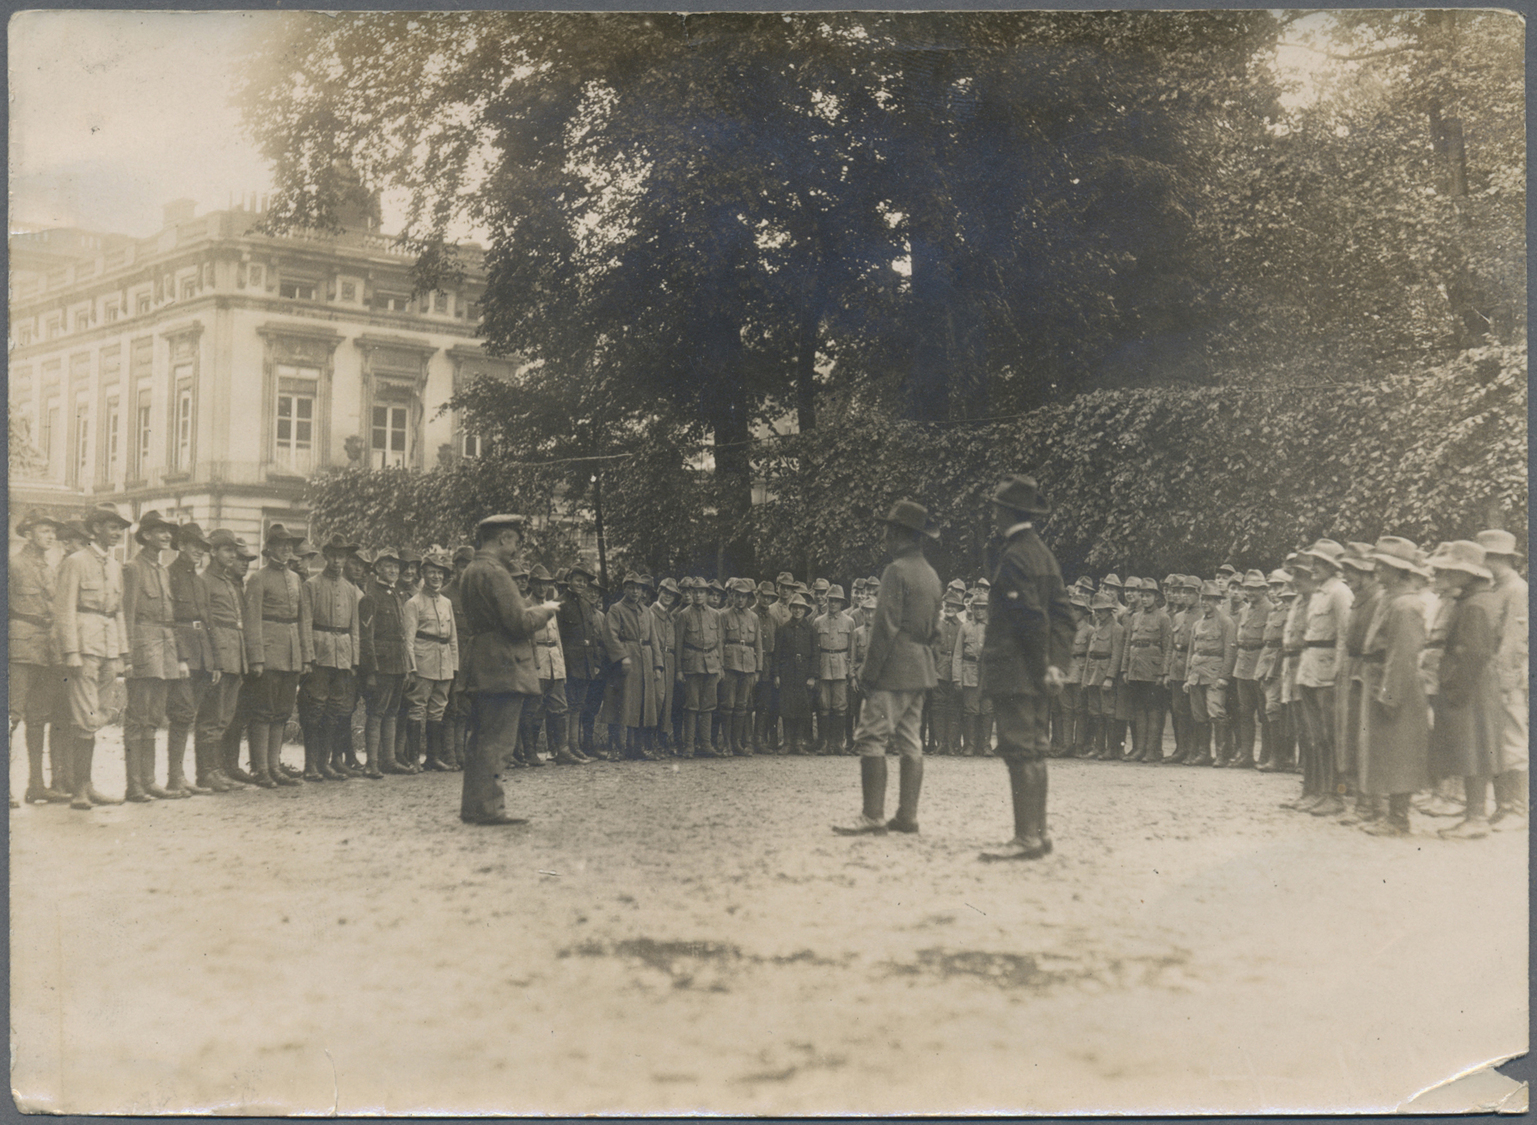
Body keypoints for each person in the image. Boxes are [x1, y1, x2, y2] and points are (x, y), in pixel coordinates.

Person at [976, 476, 1074, 861]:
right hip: (1037, 672)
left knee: (1019, 751)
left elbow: (1030, 619)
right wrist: (1056, 666)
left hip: (1016, 671)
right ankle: (1039, 833)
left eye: (995, 508)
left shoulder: (1015, 556)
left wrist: (1042, 666)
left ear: (1004, 512)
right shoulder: (1044, 555)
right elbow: (1065, 617)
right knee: (1034, 750)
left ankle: (1026, 837)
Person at [833, 499, 942, 836]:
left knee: (871, 737)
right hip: (920, 670)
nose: (884, 536)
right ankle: (907, 816)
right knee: (911, 741)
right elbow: (935, 632)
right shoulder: (931, 575)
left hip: (893, 669)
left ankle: (872, 816)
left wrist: (868, 675)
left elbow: (884, 629)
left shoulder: (896, 571)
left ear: (899, 533)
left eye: (888, 529)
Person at [458, 513, 560, 825]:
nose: (516, 549)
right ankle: (491, 810)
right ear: (503, 538)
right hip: (503, 666)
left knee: (479, 739)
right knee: (499, 741)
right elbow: (517, 623)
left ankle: (473, 807)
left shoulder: (471, 571)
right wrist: (544, 612)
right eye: (514, 541)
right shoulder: (497, 573)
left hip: (479, 663)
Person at [54, 503, 133, 809]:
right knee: (85, 716)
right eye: (113, 527)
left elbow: (118, 611)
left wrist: (122, 652)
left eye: (119, 528)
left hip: (109, 647)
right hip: (84, 646)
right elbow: (64, 609)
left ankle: (87, 784)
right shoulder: (76, 562)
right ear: (97, 528)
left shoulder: (115, 566)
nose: (117, 533)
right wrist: (71, 650)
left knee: (100, 713)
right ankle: (79, 790)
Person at [1427, 541, 1504, 840]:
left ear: (1468, 573)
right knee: (1472, 748)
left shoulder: (1475, 604)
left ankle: (1475, 817)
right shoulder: (1474, 599)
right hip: (1472, 684)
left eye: (1450, 571)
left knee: (1473, 749)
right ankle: (1473, 813)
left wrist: (1456, 689)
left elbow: (1475, 652)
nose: (1442, 576)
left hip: (1469, 686)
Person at [1356, 537, 1431, 836]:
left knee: (1399, 751)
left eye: (1382, 565)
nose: (1376, 570)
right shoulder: (1391, 599)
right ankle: (1385, 814)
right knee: (1382, 750)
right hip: (1379, 677)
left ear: (1398, 570)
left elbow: (1402, 656)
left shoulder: (1405, 605)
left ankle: (1398, 819)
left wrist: (1390, 694)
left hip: (1396, 684)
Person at [122, 510, 187, 802]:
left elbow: (170, 617)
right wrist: (126, 655)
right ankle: (134, 785)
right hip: (143, 646)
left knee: (154, 717)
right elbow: (128, 613)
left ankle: (150, 781)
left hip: (165, 647)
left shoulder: (163, 569)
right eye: (160, 531)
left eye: (169, 532)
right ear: (145, 535)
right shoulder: (133, 568)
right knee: (137, 716)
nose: (167, 536)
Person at [10, 510, 71, 805]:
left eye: (52, 532)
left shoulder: (50, 568)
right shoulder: (12, 564)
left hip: (46, 649)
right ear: (29, 533)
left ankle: (36, 785)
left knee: (38, 719)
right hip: (19, 648)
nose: (50, 536)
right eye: (44, 531)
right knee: (10, 717)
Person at [244, 524, 312, 788]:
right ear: (269, 548)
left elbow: (303, 619)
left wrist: (306, 657)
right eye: (280, 545)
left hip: (292, 653)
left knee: (282, 712)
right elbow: (251, 621)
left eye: (289, 546)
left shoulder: (296, 579)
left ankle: (274, 765)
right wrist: (256, 657)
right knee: (263, 711)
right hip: (269, 653)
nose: (286, 549)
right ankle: (260, 769)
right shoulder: (258, 579)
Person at [1295, 539, 1352, 815]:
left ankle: (1336, 795)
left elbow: (1344, 635)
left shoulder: (1340, 592)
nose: (1313, 567)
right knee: (1314, 735)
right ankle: (1316, 791)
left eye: (1319, 563)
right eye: (1313, 562)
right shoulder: (1318, 593)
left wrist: (1338, 672)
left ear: (1332, 566)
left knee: (1331, 736)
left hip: (1328, 672)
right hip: (1309, 669)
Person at [1476, 529, 1528, 831]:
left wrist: (1506, 681)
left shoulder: (1516, 589)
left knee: (1512, 739)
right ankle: (1503, 805)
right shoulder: (1496, 587)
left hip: (1508, 676)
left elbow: (1514, 640)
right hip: (1493, 675)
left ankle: (1517, 809)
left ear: (1496, 558)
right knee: (1495, 741)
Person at [299, 534, 363, 781]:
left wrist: (354, 660)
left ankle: (325, 763)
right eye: (334, 556)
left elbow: (355, 627)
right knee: (314, 708)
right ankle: (310, 765)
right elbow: (305, 622)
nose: (338, 561)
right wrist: (308, 655)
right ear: (326, 557)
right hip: (319, 653)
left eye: (342, 557)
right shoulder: (312, 585)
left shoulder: (350, 590)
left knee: (334, 710)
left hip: (343, 654)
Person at [165, 521, 217, 795]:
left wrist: (214, 660)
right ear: (181, 545)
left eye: (203, 548)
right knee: (181, 714)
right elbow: (170, 619)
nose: (200, 552)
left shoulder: (199, 581)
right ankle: (175, 777)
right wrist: (181, 656)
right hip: (182, 652)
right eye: (195, 546)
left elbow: (207, 621)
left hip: (202, 653)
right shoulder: (169, 575)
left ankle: (183, 776)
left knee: (191, 713)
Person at [195, 530, 250, 791]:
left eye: (234, 551)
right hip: (220, 654)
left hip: (234, 654)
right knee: (211, 716)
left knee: (225, 717)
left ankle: (217, 770)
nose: (232, 555)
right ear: (213, 552)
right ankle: (206, 773)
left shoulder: (228, 581)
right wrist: (214, 660)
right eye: (227, 550)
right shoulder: (204, 581)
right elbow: (206, 623)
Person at [402, 549, 460, 771]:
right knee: (417, 708)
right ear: (423, 574)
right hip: (423, 660)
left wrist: (454, 666)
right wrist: (412, 668)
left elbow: (452, 637)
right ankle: (413, 758)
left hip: (444, 662)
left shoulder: (446, 603)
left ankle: (433, 758)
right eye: (431, 572)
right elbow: (408, 639)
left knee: (438, 709)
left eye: (440, 573)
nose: (436, 577)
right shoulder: (414, 603)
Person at [1334, 543, 1382, 817]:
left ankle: (1370, 801)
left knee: (1364, 738)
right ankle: (1355, 794)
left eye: (1352, 570)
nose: (1347, 575)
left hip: (1365, 672)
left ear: (1367, 572)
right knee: (1349, 735)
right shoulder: (1360, 597)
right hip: (1352, 669)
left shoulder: (1376, 599)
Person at [601, 572, 664, 760]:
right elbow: (610, 636)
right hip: (625, 663)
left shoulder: (647, 611)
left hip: (645, 659)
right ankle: (615, 748)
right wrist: (622, 657)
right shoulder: (616, 609)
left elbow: (654, 639)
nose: (635, 591)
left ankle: (637, 747)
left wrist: (657, 665)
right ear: (624, 588)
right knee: (621, 704)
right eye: (631, 587)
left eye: (639, 588)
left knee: (643, 704)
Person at [359, 548, 410, 777]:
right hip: (381, 665)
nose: (393, 570)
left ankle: (389, 760)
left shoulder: (397, 595)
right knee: (376, 712)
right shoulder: (371, 597)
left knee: (392, 712)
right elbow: (366, 637)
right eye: (388, 566)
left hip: (398, 663)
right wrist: (370, 670)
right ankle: (372, 762)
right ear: (378, 568)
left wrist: (406, 666)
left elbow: (402, 634)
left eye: (396, 567)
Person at [557, 561, 607, 760]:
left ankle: (576, 746)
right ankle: (565, 748)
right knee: (567, 705)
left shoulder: (586, 605)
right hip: (569, 663)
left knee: (579, 705)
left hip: (585, 664)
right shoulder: (560, 604)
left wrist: (594, 663)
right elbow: (559, 637)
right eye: (578, 580)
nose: (581, 585)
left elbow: (592, 639)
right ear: (569, 580)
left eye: (584, 582)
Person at [1183, 580, 1236, 768]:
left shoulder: (1225, 622)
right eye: (1203, 599)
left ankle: (1222, 754)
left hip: (1215, 673)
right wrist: (1188, 676)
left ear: (1217, 601)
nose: (1205, 602)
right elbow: (1191, 651)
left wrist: (1224, 676)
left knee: (1216, 712)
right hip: (1197, 673)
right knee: (1199, 715)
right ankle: (1204, 753)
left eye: (1210, 599)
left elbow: (1229, 652)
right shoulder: (1197, 624)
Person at [1122, 575, 1172, 764]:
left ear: (1156, 597)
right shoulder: (1135, 617)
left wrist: (1164, 672)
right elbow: (1128, 644)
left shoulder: (1164, 618)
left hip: (1153, 671)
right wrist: (1125, 669)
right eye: (1142, 595)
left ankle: (1152, 750)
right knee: (1139, 710)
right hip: (1135, 669)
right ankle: (1140, 748)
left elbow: (1167, 648)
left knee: (1153, 710)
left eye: (1148, 595)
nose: (1144, 599)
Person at [1227, 570, 1272, 770]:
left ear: (1263, 590)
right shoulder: (1244, 611)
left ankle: (1266, 754)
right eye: (1248, 589)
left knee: (1264, 713)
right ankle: (1246, 754)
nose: (1250, 593)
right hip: (1242, 665)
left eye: (1255, 589)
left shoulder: (1271, 609)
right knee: (1244, 712)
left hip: (1260, 664)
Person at [813, 585, 857, 755]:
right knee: (824, 706)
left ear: (841, 603)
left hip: (841, 667)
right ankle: (824, 743)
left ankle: (838, 744)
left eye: (836, 601)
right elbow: (815, 650)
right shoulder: (818, 622)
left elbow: (852, 650)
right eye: (831, 600)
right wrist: (815, 673)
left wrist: (851, 673)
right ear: (827, 600)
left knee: (840, 706)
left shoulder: (849, 622)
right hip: (824, 666)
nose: (833, 604)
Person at [1081, 591, 1124, 760]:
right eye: (1096, 611)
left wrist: (1110, 677)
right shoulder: (1097, 628)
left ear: (1109, 611)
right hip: (1093, 672)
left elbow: (1116, 655)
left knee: (1108, 712)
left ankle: (1111, 749)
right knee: (1095, 712)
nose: (1097, 614)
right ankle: (1098, 747)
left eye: (1101, 611)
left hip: (1105, 672)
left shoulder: (1117, 629)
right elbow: (1089, 654)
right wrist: (1085, 677)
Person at [774, 593, 817, 754]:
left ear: (805, 610)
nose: (798, 611)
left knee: (802, 707)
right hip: (787, 673)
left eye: (801, 608)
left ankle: (798, 743)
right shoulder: (783, 629)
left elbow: (815, 655)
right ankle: (787, 742)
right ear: (790, 609)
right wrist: (777, 674)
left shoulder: (811, 630)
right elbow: (777, 654)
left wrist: (812, 676)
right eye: (795, 607)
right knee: (787, 707)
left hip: (804, 673)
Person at [952, 593, 989, 755]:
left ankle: (985, 745)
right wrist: (957, 678)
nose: (980, 611)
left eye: (983, 608)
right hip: (970, 672)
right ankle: (970, 745)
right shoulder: (965, 628)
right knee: (971, 710)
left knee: (987, 709)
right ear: (971, 609)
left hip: (988, 674)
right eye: (977, 608)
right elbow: (958, 654)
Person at [929, 590, 965, 755]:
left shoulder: (962, 626)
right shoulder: (937, 625)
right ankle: (940, 743)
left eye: (953, 606)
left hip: (956, 670)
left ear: (958, 608)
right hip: (939, 668)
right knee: (937, 706)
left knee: (954, 707)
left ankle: (951, 744)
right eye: (947, 605)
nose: (950, 608)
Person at [751, 581, 780, 752]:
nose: (766, 599)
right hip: (750, 662)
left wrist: (774, 671)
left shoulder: (773, 620)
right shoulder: (750, 614)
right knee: (747, 703)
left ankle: (759, 740)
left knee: (764, 705)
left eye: (770, 597)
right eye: (764, 596)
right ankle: (745, 739)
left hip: (768, 665)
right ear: (757, 595)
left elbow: (775, 648)